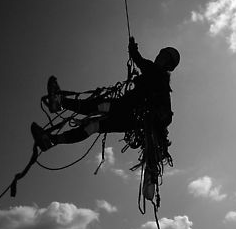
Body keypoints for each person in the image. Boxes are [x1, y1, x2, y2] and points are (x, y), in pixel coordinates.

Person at [31, 37, 180, 153]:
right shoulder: (163, 85)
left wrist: (133, 50)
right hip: (130, 120)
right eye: (160, 54)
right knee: (93, 127)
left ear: (168, 65)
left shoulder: (157, 74)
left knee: (96, 106)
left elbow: (140, 61)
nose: (159, 57)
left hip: (127, 110)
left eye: (163, 56)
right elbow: (167, 116)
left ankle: (60, 102)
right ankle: (52, 140)